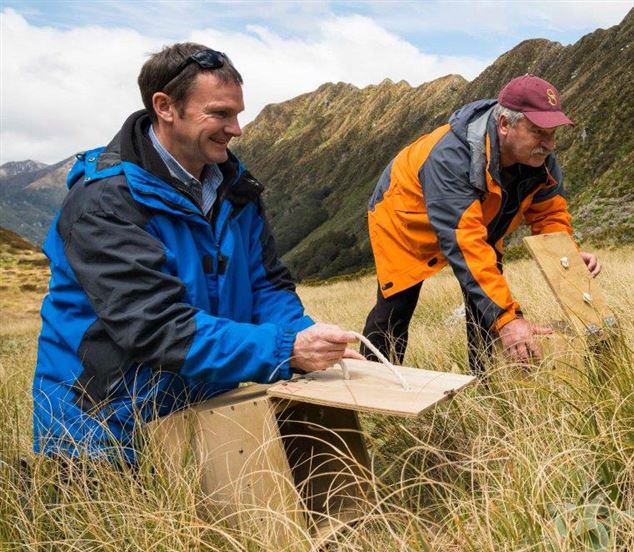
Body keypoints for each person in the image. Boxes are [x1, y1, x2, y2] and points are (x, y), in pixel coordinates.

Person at [32, 43, 362, 462]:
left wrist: (307, 335)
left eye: (238, 113)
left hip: (209, 413)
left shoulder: (235, 190)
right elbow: (156, 328)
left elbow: (265, 285)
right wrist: (285, 350)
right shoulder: (105, 203)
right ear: (165, 107)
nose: (237, 128)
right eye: (220, 114)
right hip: (104, 430)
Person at [362, 74, 600, 373]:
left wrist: (568, 255)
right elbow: (465, 244)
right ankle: (374, 385)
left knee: (486, 303)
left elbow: (549, 215)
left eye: (553, 133)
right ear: (504, 125)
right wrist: (509, 320)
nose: (549, 144)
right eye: (539, 132)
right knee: (396, 307)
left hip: (477, 216)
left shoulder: (539, 158)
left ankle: (485, 383)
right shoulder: (451, 159)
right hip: (405, 214)